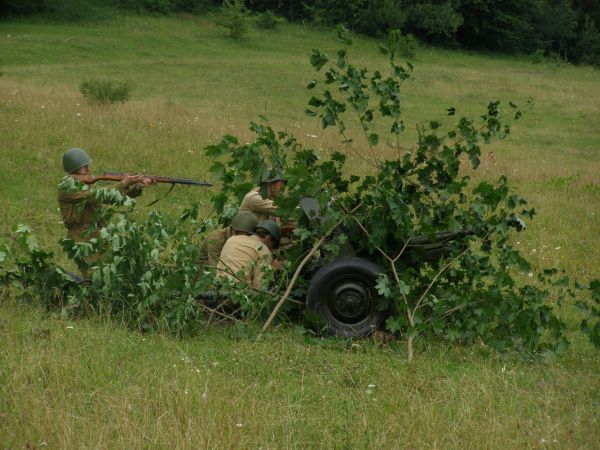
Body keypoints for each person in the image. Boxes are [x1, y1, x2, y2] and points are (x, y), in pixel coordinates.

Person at [58, 147, 153, 274]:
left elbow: (111, 197)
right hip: (82, 238)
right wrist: (124, 182)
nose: (88, 168)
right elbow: (100, 194)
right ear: (74, 167)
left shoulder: (87, 184)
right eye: (84, 166)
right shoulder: (67, 187)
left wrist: (137, 186)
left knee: (111, 273)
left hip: (99, 234)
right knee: (94, 277)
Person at [216, 220, 281, 289]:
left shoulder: (232, 239)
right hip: (239, 291)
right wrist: (272, 270)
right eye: (271, 246)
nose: (270, 249)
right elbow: (259, 286)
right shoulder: (264, 251)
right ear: (269, 238)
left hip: (219, 285)